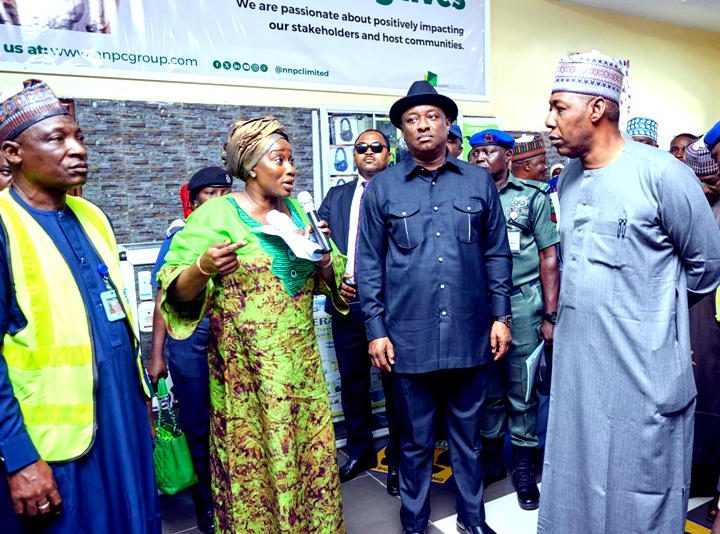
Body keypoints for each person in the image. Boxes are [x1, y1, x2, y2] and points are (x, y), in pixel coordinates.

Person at [538, 51, 720, 534]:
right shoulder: (571, 178)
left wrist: (652, 317)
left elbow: (706, 267)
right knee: (577, 473)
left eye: (559, 107)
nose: (549, 121)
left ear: (596, 109)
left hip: (643, 370)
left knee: (643, 481)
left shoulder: (663, 173)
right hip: (581, 369)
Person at [157, 117, 346, 533]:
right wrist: (204, 266)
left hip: (302, 373)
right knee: (255, 465)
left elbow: (330, 283)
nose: (290, 168)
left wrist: (324, 256)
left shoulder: (297, 211)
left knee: (307, 457)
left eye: (291, 159)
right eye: (278, 159)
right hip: (247, 379)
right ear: (250, 166)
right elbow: (174, 291)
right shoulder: (214, 215)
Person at [0, 79, 160, 533]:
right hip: (54, 445)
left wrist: (141, 402)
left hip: (120, 423)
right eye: (56, 139)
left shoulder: (93, 217)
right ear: (13, 153)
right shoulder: (4, 225)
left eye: (79, 137)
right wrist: (19, 457)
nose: (77, 149)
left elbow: (116, 322)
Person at [358, 80, 513, 534]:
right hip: (408, 338)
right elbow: (369, 263)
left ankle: (472, 518)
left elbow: (496, 253)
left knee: (468, 438)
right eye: (412, 120)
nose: (422, 125)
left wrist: (501, 317)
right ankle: (414, 521)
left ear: (447, 125)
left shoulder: (478, 180)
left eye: (431, 117)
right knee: (414, 440)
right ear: (402, 132)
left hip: (470, 333)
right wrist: (375, 329)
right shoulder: (383, 188)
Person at [468, 129, 560, 511]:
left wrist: (550, 314)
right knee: (486, 386)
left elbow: (548, 257)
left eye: (490, 151)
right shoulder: (464, 195)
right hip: (478, 306)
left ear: (508, 157)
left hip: (523, 304)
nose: (480, 158)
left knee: (522, 388)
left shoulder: (531, 197)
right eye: (476, 152)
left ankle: (524, 469)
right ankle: (491, 461)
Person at [147, 166, 233, 533]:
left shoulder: (239, 232)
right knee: (198, 424)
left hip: (229, 337)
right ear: (194, 199)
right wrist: (156, 355)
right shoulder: (182, 235)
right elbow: (163, 297)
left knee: (230, 421)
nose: (217, 200)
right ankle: (207, 505)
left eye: (224, 193)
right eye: (210, 193)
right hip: (189, 340)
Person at [318, 129, 400, 494]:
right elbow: (317, 244)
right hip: (345, 301)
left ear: (389, 153)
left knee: (395, 385)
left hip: (388, 305)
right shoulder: (336, 196)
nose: (368, 153)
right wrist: (335, 278)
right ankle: (360, 451)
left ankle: (398, 458)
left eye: (376, 147)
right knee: (352, 383)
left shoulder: (400, 190)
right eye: (360, 148)